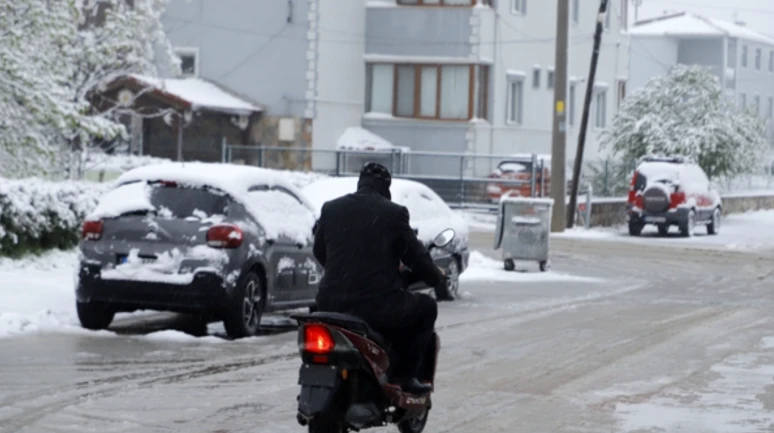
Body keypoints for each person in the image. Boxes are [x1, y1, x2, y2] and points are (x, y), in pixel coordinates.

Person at [313, 162, 447, 395]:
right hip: (377, 307)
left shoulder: (331, 208)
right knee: (426, 308)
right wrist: (436, 277)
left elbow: (319, 251)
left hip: (331, 303)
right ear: (387, 187)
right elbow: (416, 257)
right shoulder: (393, 213)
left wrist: (344, 272)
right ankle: (405, 377)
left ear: (360, 182)